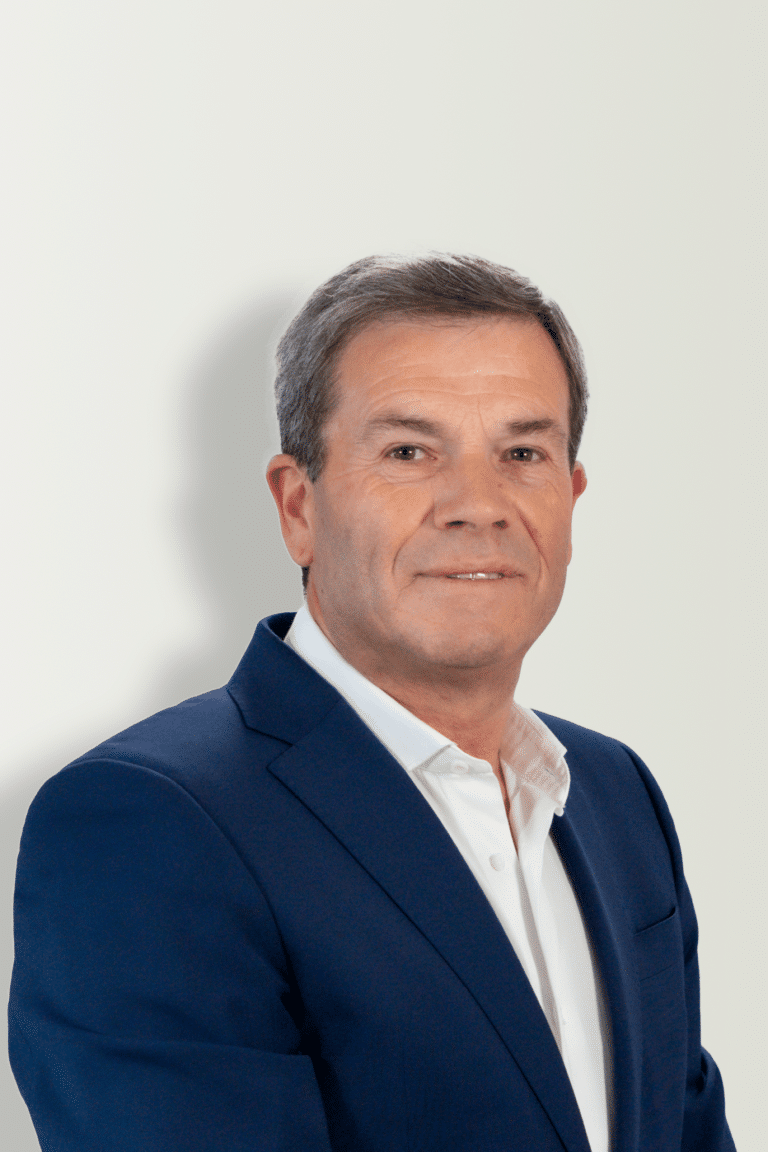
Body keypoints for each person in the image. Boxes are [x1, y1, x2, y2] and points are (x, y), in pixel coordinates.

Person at [8, 254, 735, 1152]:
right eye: (408, 453)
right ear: (298, 507)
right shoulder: (147, 822)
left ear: (571, 497)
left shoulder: (616, 794)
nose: (479, 506)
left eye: (522, 454)